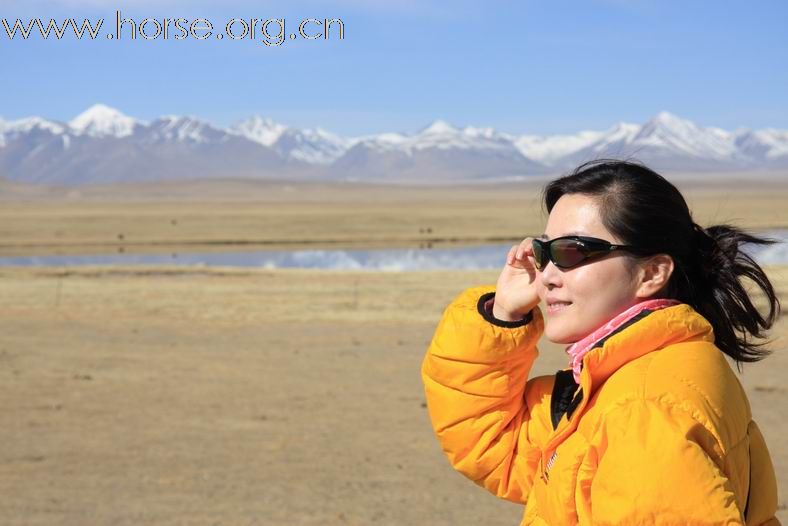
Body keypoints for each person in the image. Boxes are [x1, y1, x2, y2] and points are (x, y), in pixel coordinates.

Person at [420, 159, 782, 525]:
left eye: (571, 252)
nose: (545, 276)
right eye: (544, 252)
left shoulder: (643, 408)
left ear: (652, 273)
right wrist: (502, 314)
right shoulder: (626, 375)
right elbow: (499, 448)